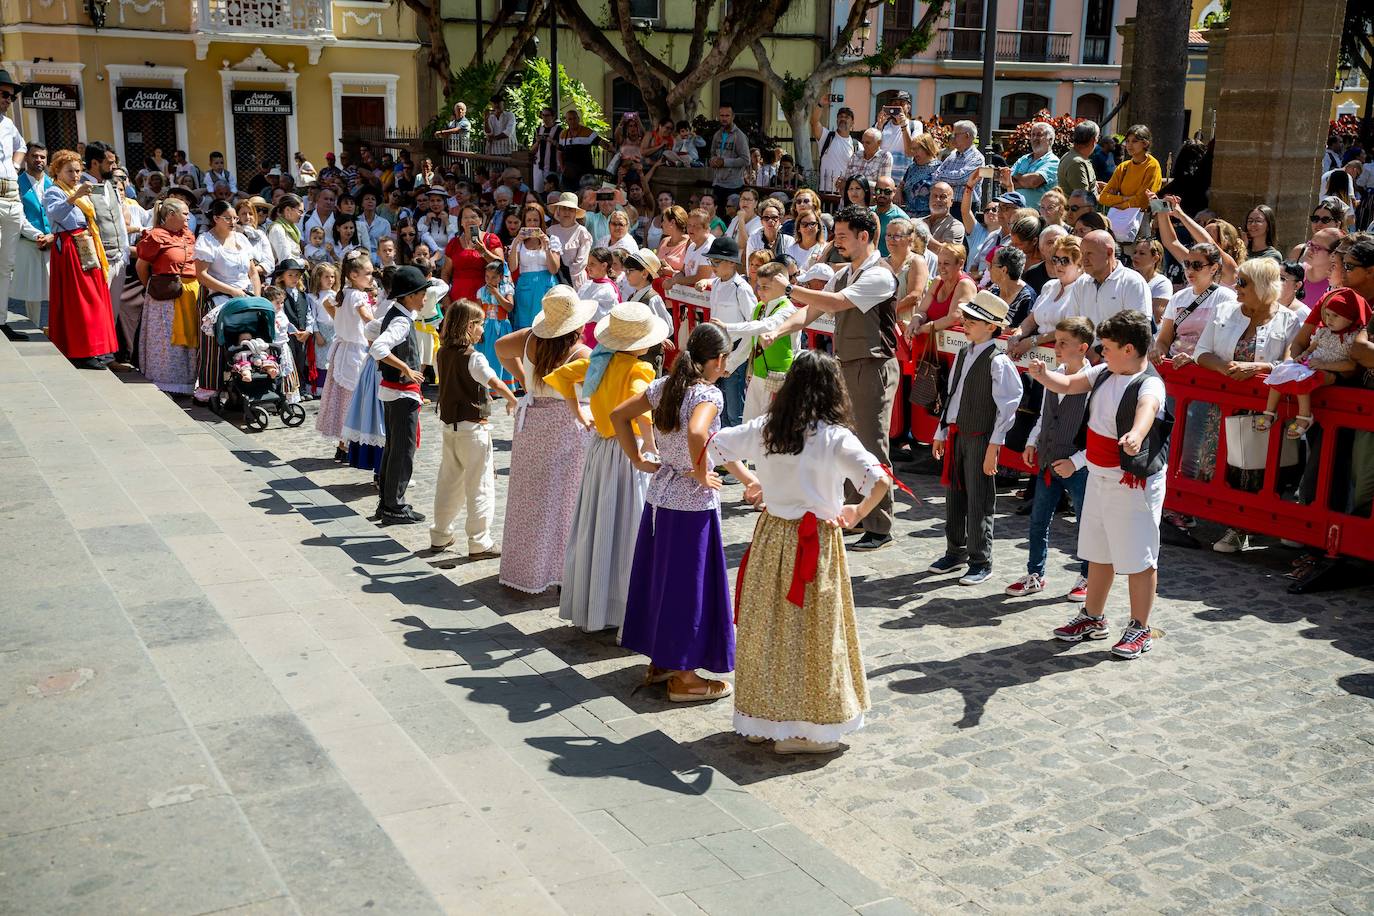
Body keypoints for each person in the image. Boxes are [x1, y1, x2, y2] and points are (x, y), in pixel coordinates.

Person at [709, 350, 890, 754]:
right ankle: (801, 731)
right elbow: (879, 479)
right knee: (812, 635)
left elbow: (715, 444)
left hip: (772, 536)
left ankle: (761, 720)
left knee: (767, 630)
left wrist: (751, 479)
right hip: (815, 543)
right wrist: (857, 511)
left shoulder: (768, 428)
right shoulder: (833, 436)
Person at [613, 321, 757, 701]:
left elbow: (618, 416)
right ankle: (685, 677)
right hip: (691, 503)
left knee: (660, 578)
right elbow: (698, 432)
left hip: (660, 495)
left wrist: (640, 460)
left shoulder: (664, 387)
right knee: (689, 587)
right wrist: (699, 471)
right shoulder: (708, 395)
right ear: (719, 360)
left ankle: (662, 660)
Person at [1032, 310, 1169, 660]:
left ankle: (1140, 627)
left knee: (1139, 557)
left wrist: (1137, 435)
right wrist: (1044, 375)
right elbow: (1068, 385)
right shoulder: (1105, 371)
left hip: (1132, 481)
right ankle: (1093, 617)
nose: (1099, 351)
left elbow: (1147, 409)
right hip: (1099, 475)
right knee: (1098, 551)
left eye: (1106, 347)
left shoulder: (1150, 382)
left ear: (1128, 348)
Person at [766, 206, 899, 551]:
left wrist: (790, 287)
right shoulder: (845, 273)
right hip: (847, 364)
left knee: (871, 443)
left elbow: (838, 303)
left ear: (864, 237)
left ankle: (879, 525)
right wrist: (777, 329)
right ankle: (855, 516)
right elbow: (810, 312)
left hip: (873, 366)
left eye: (842, 236)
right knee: (849, 443)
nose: (836, 242)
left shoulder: (880, 275)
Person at [544, 301, 667, 633]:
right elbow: (639, 415)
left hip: (600, 449)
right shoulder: (639, 370)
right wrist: (652, 449)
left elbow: (559, 378)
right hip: (626, 455)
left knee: (597, 525)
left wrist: (579, 413)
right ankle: (625, 606)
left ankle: (596, 603)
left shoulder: (599, 361)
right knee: (627, 527)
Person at [1191, 257, 1301, 552]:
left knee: (1255, 467)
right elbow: (1202, 351)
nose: (1236, 287)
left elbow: (1291, 363)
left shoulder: (1289, 320)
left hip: (1265, 408)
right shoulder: (1224, 310)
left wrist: (1258, 367)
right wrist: (1226, 367)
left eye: (1243, 283)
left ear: (1264, 287)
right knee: (1223, 462)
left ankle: (1243, 528)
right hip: (1223, 403)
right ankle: (1229, 522)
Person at [493, 286, 595, 592]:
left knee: (528, 499)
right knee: (565, 500)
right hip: (565, 424)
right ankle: (561, 571)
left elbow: (499, 348)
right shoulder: (581, 354)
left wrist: (524, 378)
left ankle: (524, 568)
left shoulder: (528, 339)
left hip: (532, 421)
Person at [927, 292, 1022, 584]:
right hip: (957, 433)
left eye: (973, 320)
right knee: (954, 495)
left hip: (981, 436)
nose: (965, 323)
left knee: (980, 497)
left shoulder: (998, 361)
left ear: (992, 326)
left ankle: (981, 559)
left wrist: (995, 445)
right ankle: (955, 550)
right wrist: (941, 431)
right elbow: (952, 395)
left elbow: (1008, 405)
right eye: (966, 318)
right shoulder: (964, 353)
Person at [1008, 316, 1094, 601]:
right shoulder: (1053, 373)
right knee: (1038, 519)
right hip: (1048, 460)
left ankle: (1088, 575)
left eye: (1063, 343)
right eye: (1056, 341)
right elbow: (1045, 415)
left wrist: (1077, 462)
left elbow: (1099, 432)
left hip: (1079, 466)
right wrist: (1033, 442)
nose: (1056, 347)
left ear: (1082, 348)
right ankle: (1035, 573)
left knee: (1086, 523)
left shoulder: (1095, 382)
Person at [1148, 243, 1234, 514]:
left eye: (1197, 265)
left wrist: (1196, 357)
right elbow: (1165, 338)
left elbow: (1222, 343)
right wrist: (1158, 351)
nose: (1190, 270)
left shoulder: (1225, 298)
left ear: (1214, 268)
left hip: (1204, 377)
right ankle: (1166, 499)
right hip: (1176, 376)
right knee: (1168, 436)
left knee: (1193, 441)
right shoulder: (1179, 297)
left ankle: (1185, 507)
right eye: (1187, 264)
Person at [1257, 288, 1368, 439]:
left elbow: (1350, 366)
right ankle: (1270, 412)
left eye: (1335, 316)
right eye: (1327, 314)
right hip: (1311, 365)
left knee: (1303, 379)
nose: (1329, 319)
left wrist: (1323, 365)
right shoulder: (1323, 331)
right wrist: (1302, 356)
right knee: (1280, 371)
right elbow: (1310, 349)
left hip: (1330, 371)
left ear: (1349, 318)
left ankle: (1304, 417)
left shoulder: (1352, 338)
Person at [367, 265, 432, 523]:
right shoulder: (402, 321)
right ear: (408, 296)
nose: (424, 297)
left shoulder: (396, 314)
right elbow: (379, 347)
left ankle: (387, 501)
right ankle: (395, 505)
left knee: (394, 448)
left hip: (392, 391)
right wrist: (405, 366)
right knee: (403, 451)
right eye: (421, 292)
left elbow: (370, 332)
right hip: (402, 393)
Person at [42, 150, 119, 368]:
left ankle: (97, 348)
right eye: (70, 171)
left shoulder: (78, 189)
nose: (75, 175)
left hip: (87, 243)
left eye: (78, 171)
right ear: (57, 171)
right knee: (80, 300)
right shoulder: (53, 191)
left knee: (96, 296)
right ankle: (82, 351)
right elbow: (56, 215)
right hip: (69, 246)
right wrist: (75, 196)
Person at [134, 196, 200, 396]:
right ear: (171, 215)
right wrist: (152, 289)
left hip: (190, 292)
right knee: (166, 339)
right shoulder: (155, 236)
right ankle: (167, 383)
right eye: (185, 214)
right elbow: (141, 266)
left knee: (190, 337)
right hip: (166, 295)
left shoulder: (188, 235)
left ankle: (189, 383)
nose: (189, 218)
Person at [317, 250, 377, 459]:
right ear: (353, 275)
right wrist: (382, 327)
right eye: (368, 273)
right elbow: (367, 317)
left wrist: (341, 323)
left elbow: (327, 304)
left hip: (342, 350)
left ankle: (343, 444)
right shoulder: (358, 295)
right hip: (355, 352)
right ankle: (349, 444)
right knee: (354, 399)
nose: (371, 277)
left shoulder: (343, 294)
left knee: (343, 398)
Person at [699, 237, 757, 426]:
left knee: (734, 412)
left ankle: (739, 453)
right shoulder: (716, 284)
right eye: (711, 261)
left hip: (735, 354)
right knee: (718, 407)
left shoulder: (742, 289)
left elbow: (753, 328)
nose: (712, 265)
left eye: (716, 261)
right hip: (718, 352)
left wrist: (732, 363)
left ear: (731, 263)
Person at [1068, 230, 1153, 334]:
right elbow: (1072, 325)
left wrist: (1098, 350)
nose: (1084, 259)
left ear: (1109, 252)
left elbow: (1138, 331)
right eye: (1082, 254)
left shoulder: (1132, 282)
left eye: (1089, 253)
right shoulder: (1081, 283)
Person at [11, 143, 51, 334]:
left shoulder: (53, 184)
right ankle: (33, 327)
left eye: (42, 157)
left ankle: (55, 328)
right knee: (32, 290)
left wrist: (52, 235)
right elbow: (18, 215)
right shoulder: (18, 183)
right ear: (27, 158)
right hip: (29, 242)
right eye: (35, 156)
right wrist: (37, 235)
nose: (39, 160)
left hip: (53, 241)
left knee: (56, 288)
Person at [506, 202, 562, 330]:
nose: (532, 224)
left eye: (536, 220)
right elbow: (512, 267)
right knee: (525, 326)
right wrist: (515, 244)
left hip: (546, 285)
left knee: (547, 324)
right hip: (525, 287)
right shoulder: (519, 242)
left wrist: (546, 246)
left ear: (541, 221)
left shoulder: (552, 239)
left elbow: (554, 269)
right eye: (529, 220)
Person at [441, 203, 504, 304]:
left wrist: (483, 251)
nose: (470, 220)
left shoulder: (491, 239)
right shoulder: (454, 243)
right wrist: (445, 298)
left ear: (481, 220)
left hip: (485, 296)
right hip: (458, 298)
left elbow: (500, 265)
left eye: (474, 217)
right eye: (465, 218)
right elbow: (446, 273)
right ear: (461, 222)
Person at [1098, 125, 1162, 212]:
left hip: (1141, 218)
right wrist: (1125, 198)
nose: (1129, 145)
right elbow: (1103, 197)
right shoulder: (1123, 167)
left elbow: (1143, 201)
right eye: (1127, 141)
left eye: (1134, 141)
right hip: (1121, 218)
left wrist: (1120, 204)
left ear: (1145, 143)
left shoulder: (1152, 166)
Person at [931, 120, 986, 214]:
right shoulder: (952, 156)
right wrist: (949, 177)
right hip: (948, 204)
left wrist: (942, 177)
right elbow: (935, 176)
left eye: (956, 134)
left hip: (966, 206)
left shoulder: (977, 158)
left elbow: (962, 178)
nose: (953, 137)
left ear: (967, 135)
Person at [1006, 122, 1060, 210]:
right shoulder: (1024, 159)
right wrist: (1024, 181)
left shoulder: (1053, 161)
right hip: (1014, 212)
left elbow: (1033, 182)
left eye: (1039, 135)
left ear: (1050, 139)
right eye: (1033, 135)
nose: (1035, 138)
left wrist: (1016, 179)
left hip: (1037, 216)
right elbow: (1005, 181)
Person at [708, 105, 750, 219]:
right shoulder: (717, 135)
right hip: (718, 183)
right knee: (717, 216)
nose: (724, 118)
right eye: (722, 115)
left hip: (733, 185)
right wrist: (713, 161)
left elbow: (746, 159)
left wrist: (725, 162)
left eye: (727, 115)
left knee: (731, 218)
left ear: (733, 117)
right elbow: (712, 153)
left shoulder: (739, 136)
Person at [547, 192, 593, 288]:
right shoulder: (550, 231)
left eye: (570, 209)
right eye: (563, 208)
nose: (567, 212)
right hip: (552, 280)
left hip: (575, 282)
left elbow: (581, 263)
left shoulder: (582, 232)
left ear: (575, 212)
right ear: (558, 211)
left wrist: (564, 277)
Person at [1128, 238, 1173, 324]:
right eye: (1135, 252)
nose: (1136, 256)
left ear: (1155, 258)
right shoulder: (1128, 279)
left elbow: (1155, 317)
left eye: (1142, 253)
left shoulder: (1162, 283)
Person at [1056, 120, 1099, 199]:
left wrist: (1095, 184)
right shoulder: (1077, 163)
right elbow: (1084, 200)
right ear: (1093, 140)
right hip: (1078, 210)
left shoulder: (1075, 158)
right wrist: (1108, 198)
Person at [920, 182, 965, 252]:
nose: (937, 199)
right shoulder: (917, 221)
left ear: (951, 202)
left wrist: (923, 232)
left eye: (943, 196)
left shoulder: (955, 226)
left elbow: (947, 253)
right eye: (934, 196)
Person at [266, 194, 304, 264]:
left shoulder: (293, 229)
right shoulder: (277, 229)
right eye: (300, 211)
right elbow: (285, 261)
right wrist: (303, 262)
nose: (302, 215)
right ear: (288, 210)